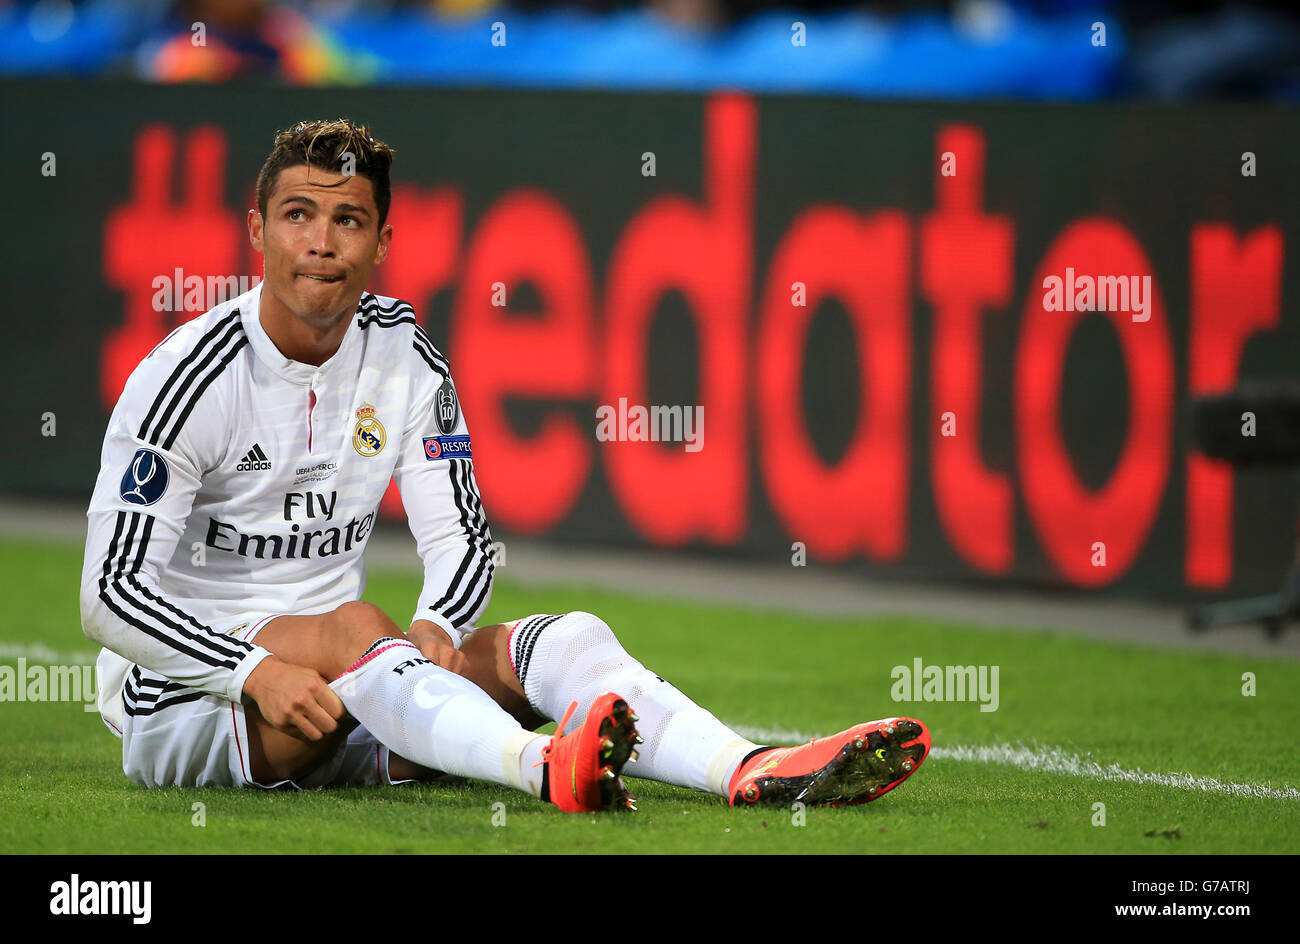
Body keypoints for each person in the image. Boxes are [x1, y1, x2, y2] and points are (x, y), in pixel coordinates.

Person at [81, 118, 929, 811]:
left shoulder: (405, 356)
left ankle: (746, 770)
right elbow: (108, 593)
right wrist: (252, 670)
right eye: (299, 214)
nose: (321, 242)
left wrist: (438, 633)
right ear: (257, 228)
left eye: (348, 220)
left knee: (564, 640)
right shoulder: (188, 377)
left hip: (360, 688)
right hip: (189, 696)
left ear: (381, 241)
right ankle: (541, 765)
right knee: (354, 627)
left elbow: (464, 539)